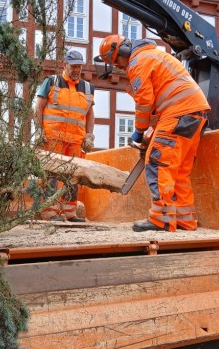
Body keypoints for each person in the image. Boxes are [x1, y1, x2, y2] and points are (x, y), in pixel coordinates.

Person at [96, 35, 209, 232]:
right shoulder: (153, 55)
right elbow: (161, 101)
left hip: (178, 112)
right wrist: (153, 130)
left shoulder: (138, 62)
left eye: (117, 62)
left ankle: (161, 219)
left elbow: (145, 102)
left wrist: (139, 132)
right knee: (179, 169)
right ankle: (184, 219)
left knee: (157, 162)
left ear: (122, 52)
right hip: (194, 113)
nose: (120, 67)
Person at [34, 50, 95, 222]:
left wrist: (89, 135)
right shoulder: (51, 82)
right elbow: (38, 108)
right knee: (52, 175)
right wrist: (38, 131)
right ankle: (50, 212)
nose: (77, 70)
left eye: (79, 66)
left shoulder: (87, 88)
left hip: (75, 140)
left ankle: (70, 212)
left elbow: (90, 114)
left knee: (73, 176)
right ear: (65, 65)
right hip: (53, 139)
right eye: (73, 66)